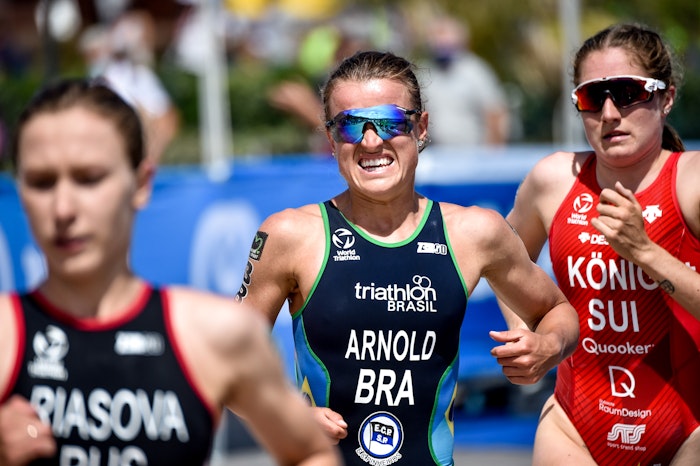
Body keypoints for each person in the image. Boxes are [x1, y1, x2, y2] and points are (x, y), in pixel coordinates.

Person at [235, 50, 579, 465]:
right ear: (331, 139)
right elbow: (227, 363)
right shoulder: (290, 234)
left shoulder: (473, 232)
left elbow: (557, 311)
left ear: (421, 128)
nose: (371, 141)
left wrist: (547, 346)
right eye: (350, 126)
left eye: (389, 122)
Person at [0, 78, 340, 466]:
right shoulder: (5, 335)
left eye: (89, 178)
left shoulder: (215, 334)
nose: (63, 208)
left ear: (141, 184)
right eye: (41, 182)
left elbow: (310, 452)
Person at [499, 23, 700, 465]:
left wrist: (644, 252)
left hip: (689, 429)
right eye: (593, 97)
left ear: (666, 98)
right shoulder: (554, 179)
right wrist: (525, 335)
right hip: (574, 427)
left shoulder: (691, 181)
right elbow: (503, 256)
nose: (609, 113)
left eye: (627, 93)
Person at [419, 16, 510, 146]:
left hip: (474, 153)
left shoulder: (476, 71)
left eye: (444, 34)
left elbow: (495, 113)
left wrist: (494, 151)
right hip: (436, 153)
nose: (440, 41)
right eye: (436, 35)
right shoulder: (424, 72)